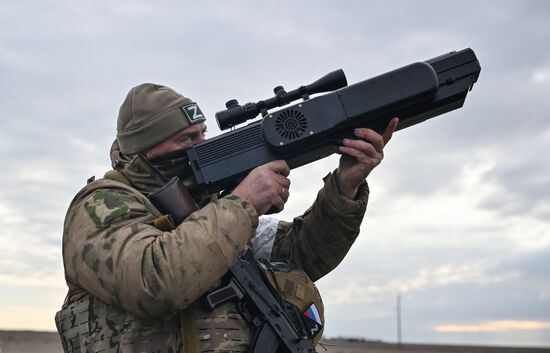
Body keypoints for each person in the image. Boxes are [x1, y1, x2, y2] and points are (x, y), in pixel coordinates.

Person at [55, 83, 398, 353]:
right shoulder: (100, 205)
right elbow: (153, 282)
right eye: (188, 138)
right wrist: (244, 202)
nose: (202, 145)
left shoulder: (205, 210)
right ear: (147, 149)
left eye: (203, 133)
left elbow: (302, 255)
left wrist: (344, 187)